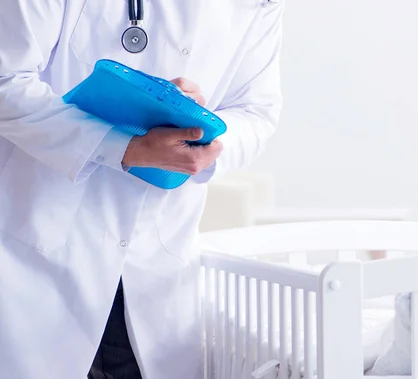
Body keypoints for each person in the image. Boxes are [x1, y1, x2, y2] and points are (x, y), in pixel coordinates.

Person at [0, 0, 285, 378]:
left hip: (158, 257)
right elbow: (6, 80)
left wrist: (205, 138)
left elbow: (256, 111)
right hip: (38, 246)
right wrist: (126, 147)